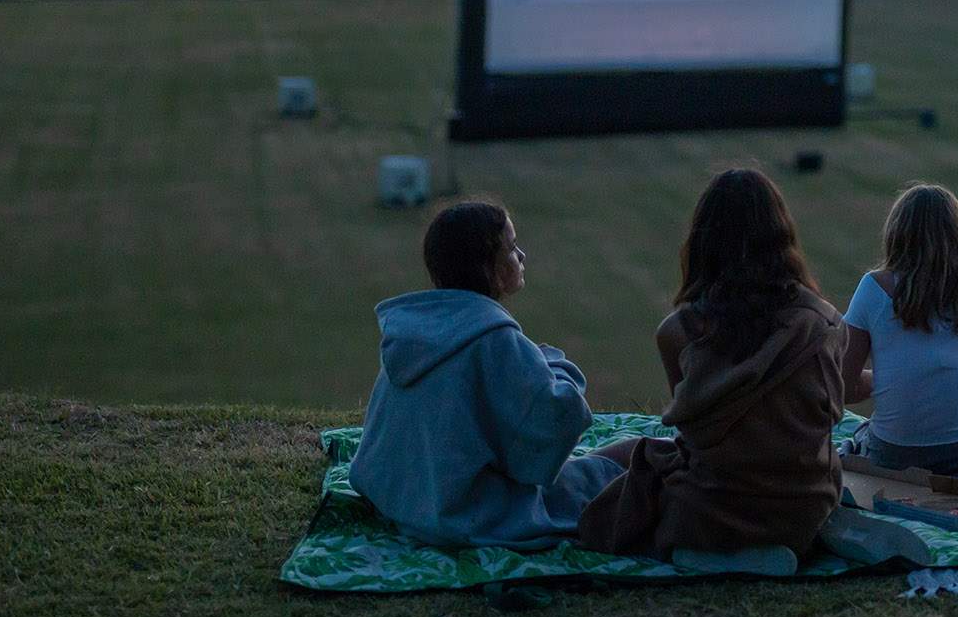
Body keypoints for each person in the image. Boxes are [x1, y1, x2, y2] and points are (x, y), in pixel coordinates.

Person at [579, 168, 846, 568]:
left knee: (634, 473)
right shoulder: (823, 323)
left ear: (703, 243)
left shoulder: (677, 332)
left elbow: (694, 439)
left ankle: (711, 553)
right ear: (782, 237)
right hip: (804, 509)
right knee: (640, 455)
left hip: (709, 513)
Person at [349, 200, 624, 550]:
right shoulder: (492, 340)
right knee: (637, 460)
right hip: (467, 513)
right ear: (487, 267)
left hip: (404, 500)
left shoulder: (416, 332)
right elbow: (554, 422)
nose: (521, 256)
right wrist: (555, 363)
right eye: (511, 248)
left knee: (614, 461)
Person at [838, 183, 958, 475]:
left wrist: (885, 381)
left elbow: (840, 384)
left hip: (894, 456)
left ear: (897, 234)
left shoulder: (874, 289)